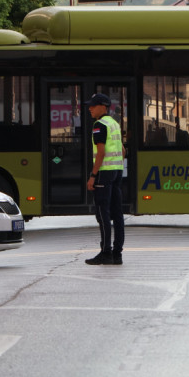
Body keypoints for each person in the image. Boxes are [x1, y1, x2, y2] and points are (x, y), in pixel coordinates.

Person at [84, 93, 125, 266]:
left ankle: (105, 252)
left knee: (103, 214)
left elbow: (100, 153)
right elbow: (122, 151)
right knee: (117, 213)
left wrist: (93, 176)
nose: (90, 108)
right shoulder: (114, 123)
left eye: (93, 105)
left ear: (103, 106)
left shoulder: (99, 125)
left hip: (104, 173)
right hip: (116, 171)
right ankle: (117, 254)